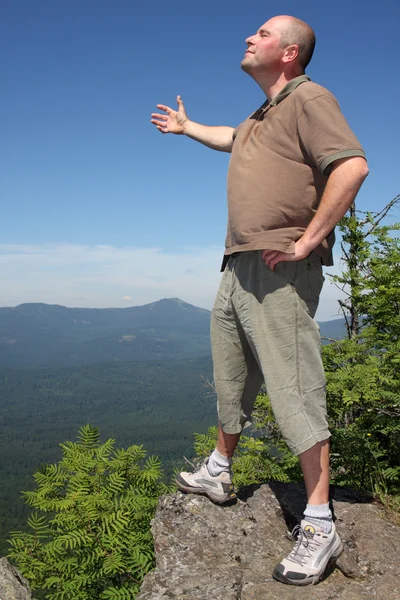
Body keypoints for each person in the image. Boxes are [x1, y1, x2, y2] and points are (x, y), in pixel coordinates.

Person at [151, 15, 368, 586]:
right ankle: (220, 470)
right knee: (232, 373)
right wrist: (189, 126)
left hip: (279, 265)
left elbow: (351, 165)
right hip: (238, 263)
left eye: (263, 34)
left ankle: (319, 521)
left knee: (293, 384)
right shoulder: (262, 116)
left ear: (291, 53)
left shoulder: (309, 98)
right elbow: (232, 137)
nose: (250, 38)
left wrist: (310, 239)